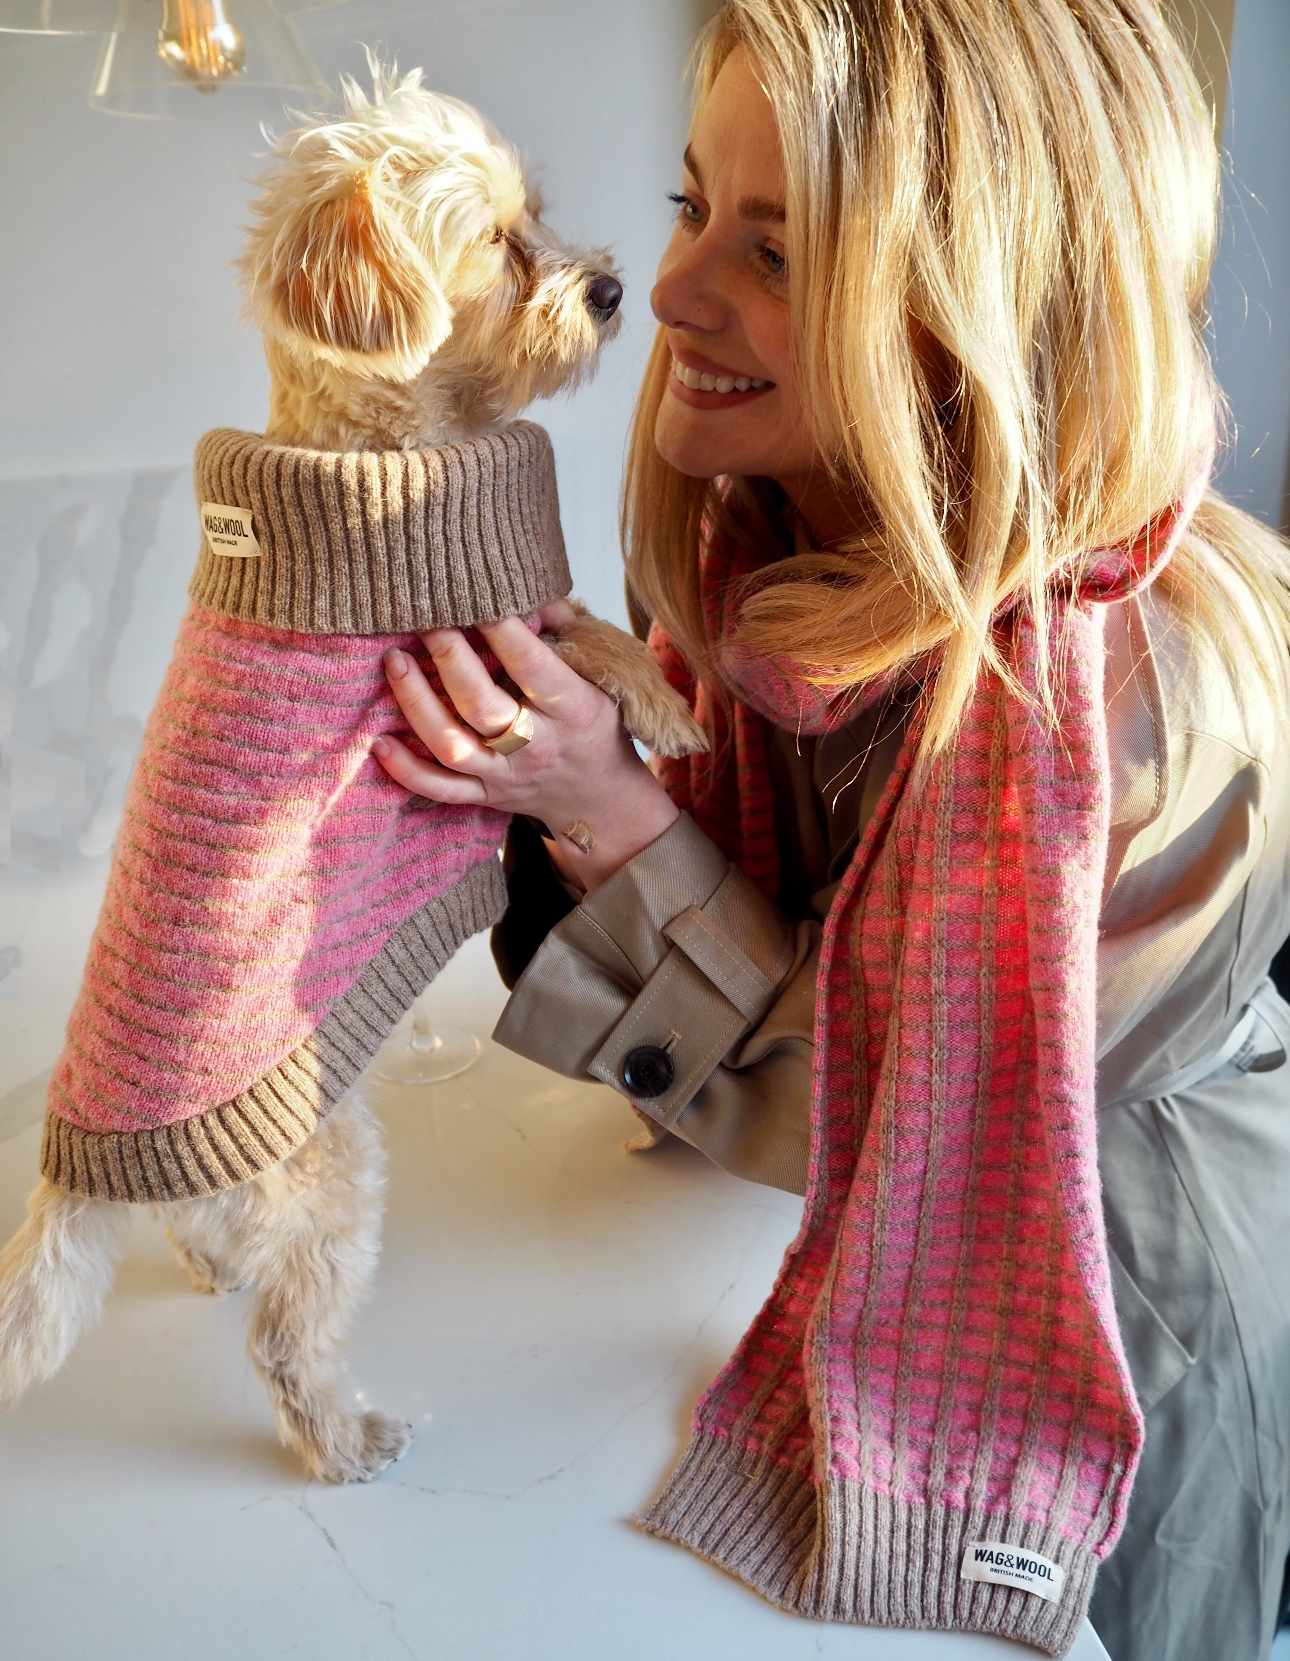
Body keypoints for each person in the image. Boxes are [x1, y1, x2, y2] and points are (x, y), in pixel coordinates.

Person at [370, 3, 1290, 1657]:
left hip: (1129, 1310)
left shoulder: (1131, 701)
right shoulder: (766, 556)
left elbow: (887, 1109)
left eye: (777, 252)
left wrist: (607, 811)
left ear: (973, 306)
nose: (667, 291)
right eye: (690, 205)